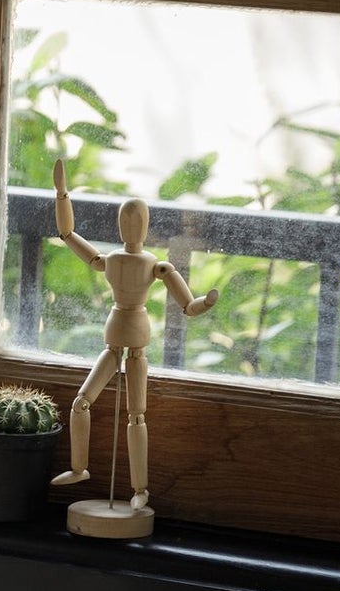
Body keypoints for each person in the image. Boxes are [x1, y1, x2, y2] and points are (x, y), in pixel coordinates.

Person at [50, 158, 218, 513]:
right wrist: (62, 195)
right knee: (81, 403)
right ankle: (79, 468)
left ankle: (140, 488)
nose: (131, 226)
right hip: (112, 340)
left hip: (137, 344)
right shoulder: (111, 260)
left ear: (145, 226)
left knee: (136, 416)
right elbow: (69, 237)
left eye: (136, 220)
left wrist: (204, 303)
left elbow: (187, 305)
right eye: (126, 221)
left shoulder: (156, 265)